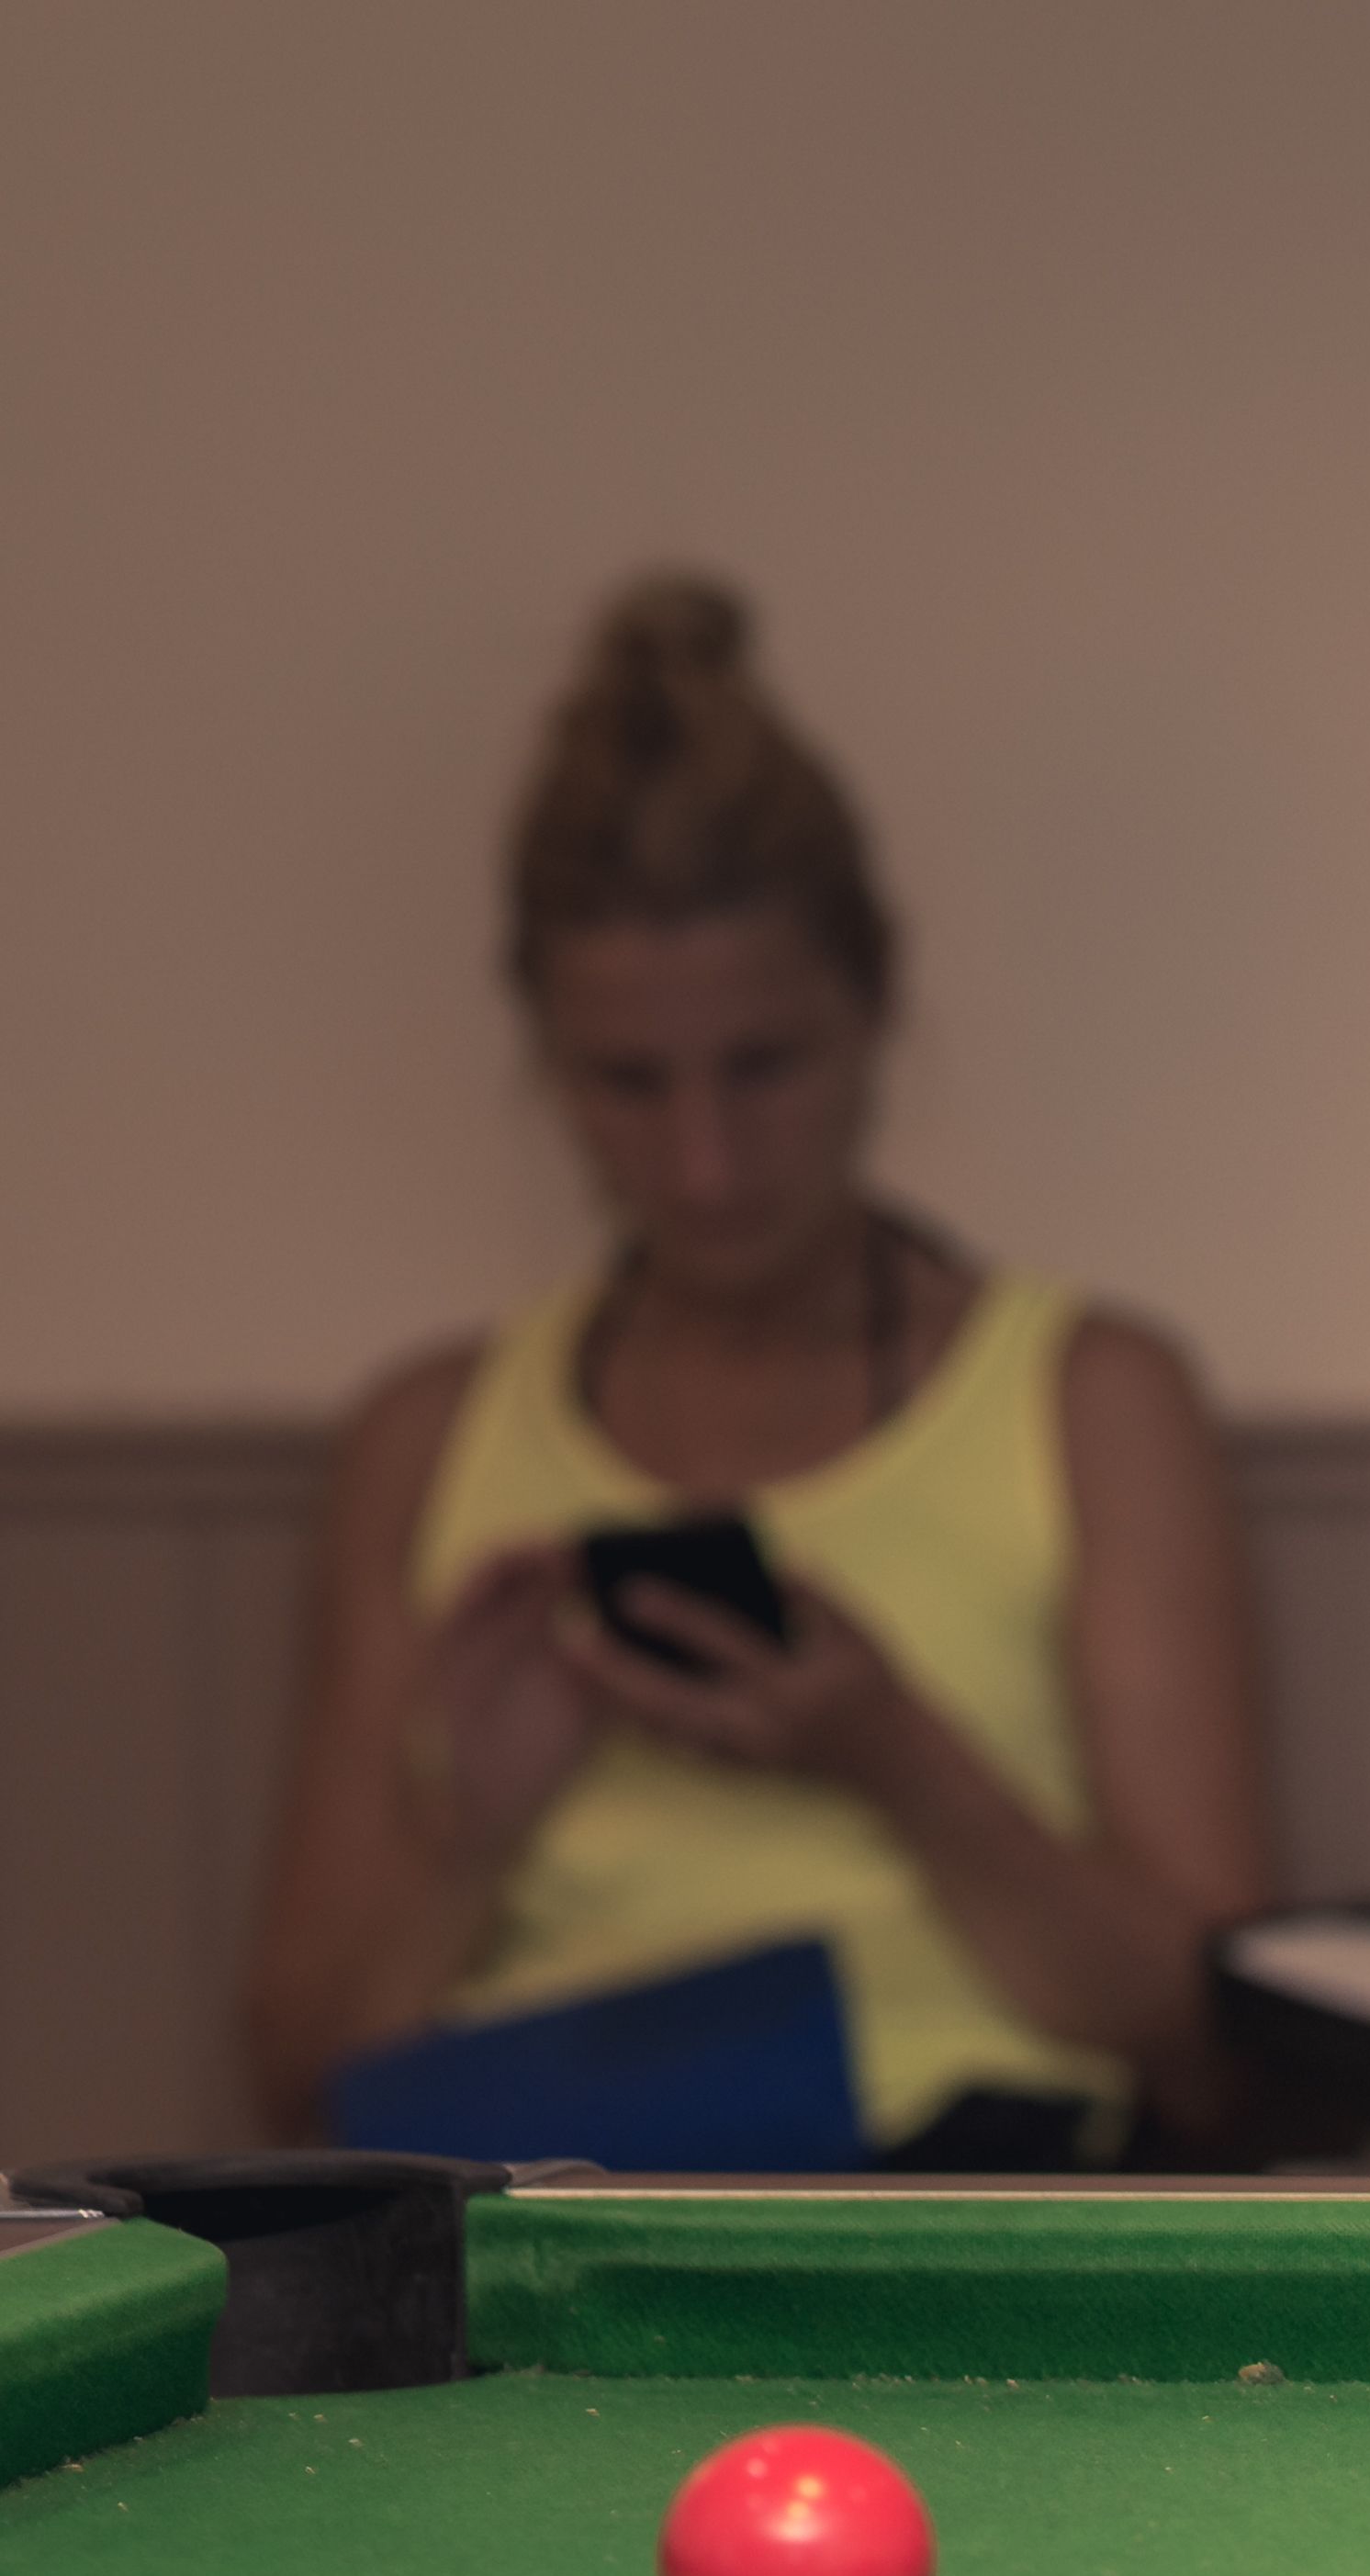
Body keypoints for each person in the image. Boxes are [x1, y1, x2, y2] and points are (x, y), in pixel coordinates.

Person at [241, 575, 1269, 2164]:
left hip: (970, 2208)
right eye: (630, 1084)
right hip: (541, 2222)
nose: (707, 1163)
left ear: (873, 1011)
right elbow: (301, 2083)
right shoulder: (428, 1436)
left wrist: (900, 1763)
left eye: (764, 1067)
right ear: (546, 1062)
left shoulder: (1091, 1399)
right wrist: (472, 1837)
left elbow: (1213, 2049)